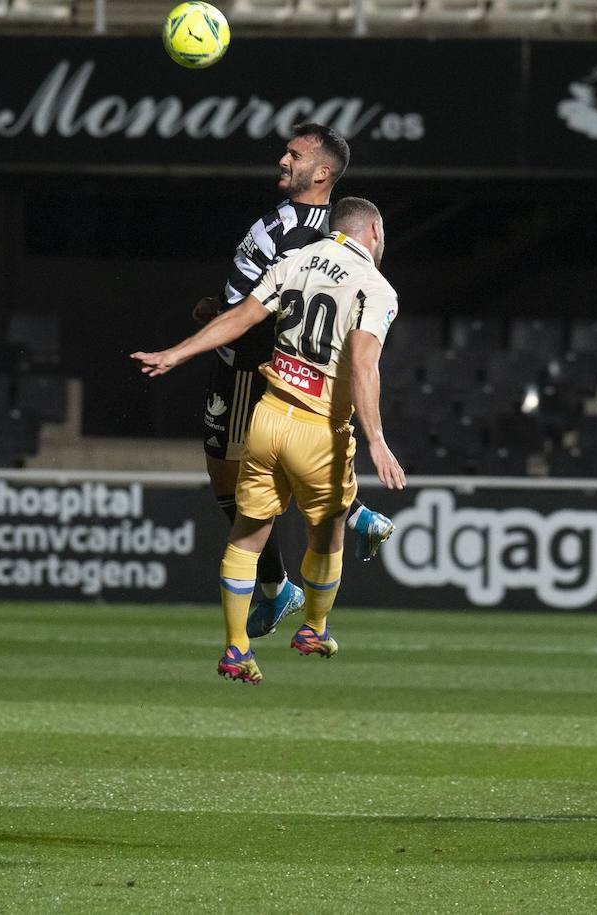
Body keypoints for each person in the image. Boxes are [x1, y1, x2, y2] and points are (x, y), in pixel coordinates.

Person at [133, 197, 407, 684]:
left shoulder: (295, 260)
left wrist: (178, 353)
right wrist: (377, 439)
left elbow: (240, 319)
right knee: (327, 532)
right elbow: (365, 365)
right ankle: (314, 628)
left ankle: (236, 648)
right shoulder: (377, 288)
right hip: (321, 431)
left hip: (267, 417)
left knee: (246, 535)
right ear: (374, 233)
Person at [189, 123, 394, 641]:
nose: (283, 160)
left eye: (294, 155)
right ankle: (352, 519)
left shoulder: (314, 234)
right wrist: (220, 306)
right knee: (242, 477)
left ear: (322, 171)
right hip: (237, 353)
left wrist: (232, 325)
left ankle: (279, 584)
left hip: (247, 366)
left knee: (230, 479)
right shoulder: (290, 219)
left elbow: (288, 304)